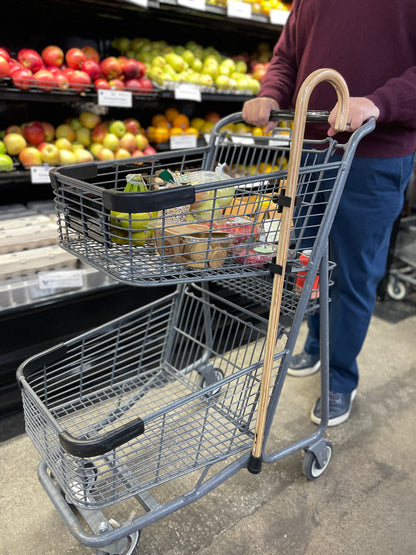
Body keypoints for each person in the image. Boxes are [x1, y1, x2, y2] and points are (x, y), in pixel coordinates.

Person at [242, 0, 416, 426]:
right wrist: (270, 93)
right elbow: (287, 55)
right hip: (310, 149)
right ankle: (316, 343)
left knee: (355, 274)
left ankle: (340, 376)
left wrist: (378, 103)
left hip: (374, 152)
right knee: (307, 260)